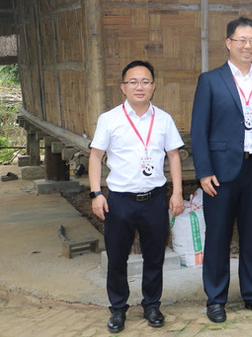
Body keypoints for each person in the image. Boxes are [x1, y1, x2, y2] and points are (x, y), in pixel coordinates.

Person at [191, 17, 252, 324]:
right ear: (228, 43)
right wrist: (203, 171)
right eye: (241, 40)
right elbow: (198, 129)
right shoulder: (210, 80)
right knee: (217, 236)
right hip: (220, 172)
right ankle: (216, 298)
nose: (248, 46)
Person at [88, 60, 184, 333]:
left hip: (154, 199)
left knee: (155, 256)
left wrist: (177, 193)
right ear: (123, 87)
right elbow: (95, 157)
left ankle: (152, 304)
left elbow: (174, 156)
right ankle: (118, 309)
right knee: (117, 257)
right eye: (133, 82)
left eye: (145, 82)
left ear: (153, 86)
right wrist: (96, 193)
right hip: (119, 201)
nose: (139, 87)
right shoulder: (109, 119)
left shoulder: (164, 119)